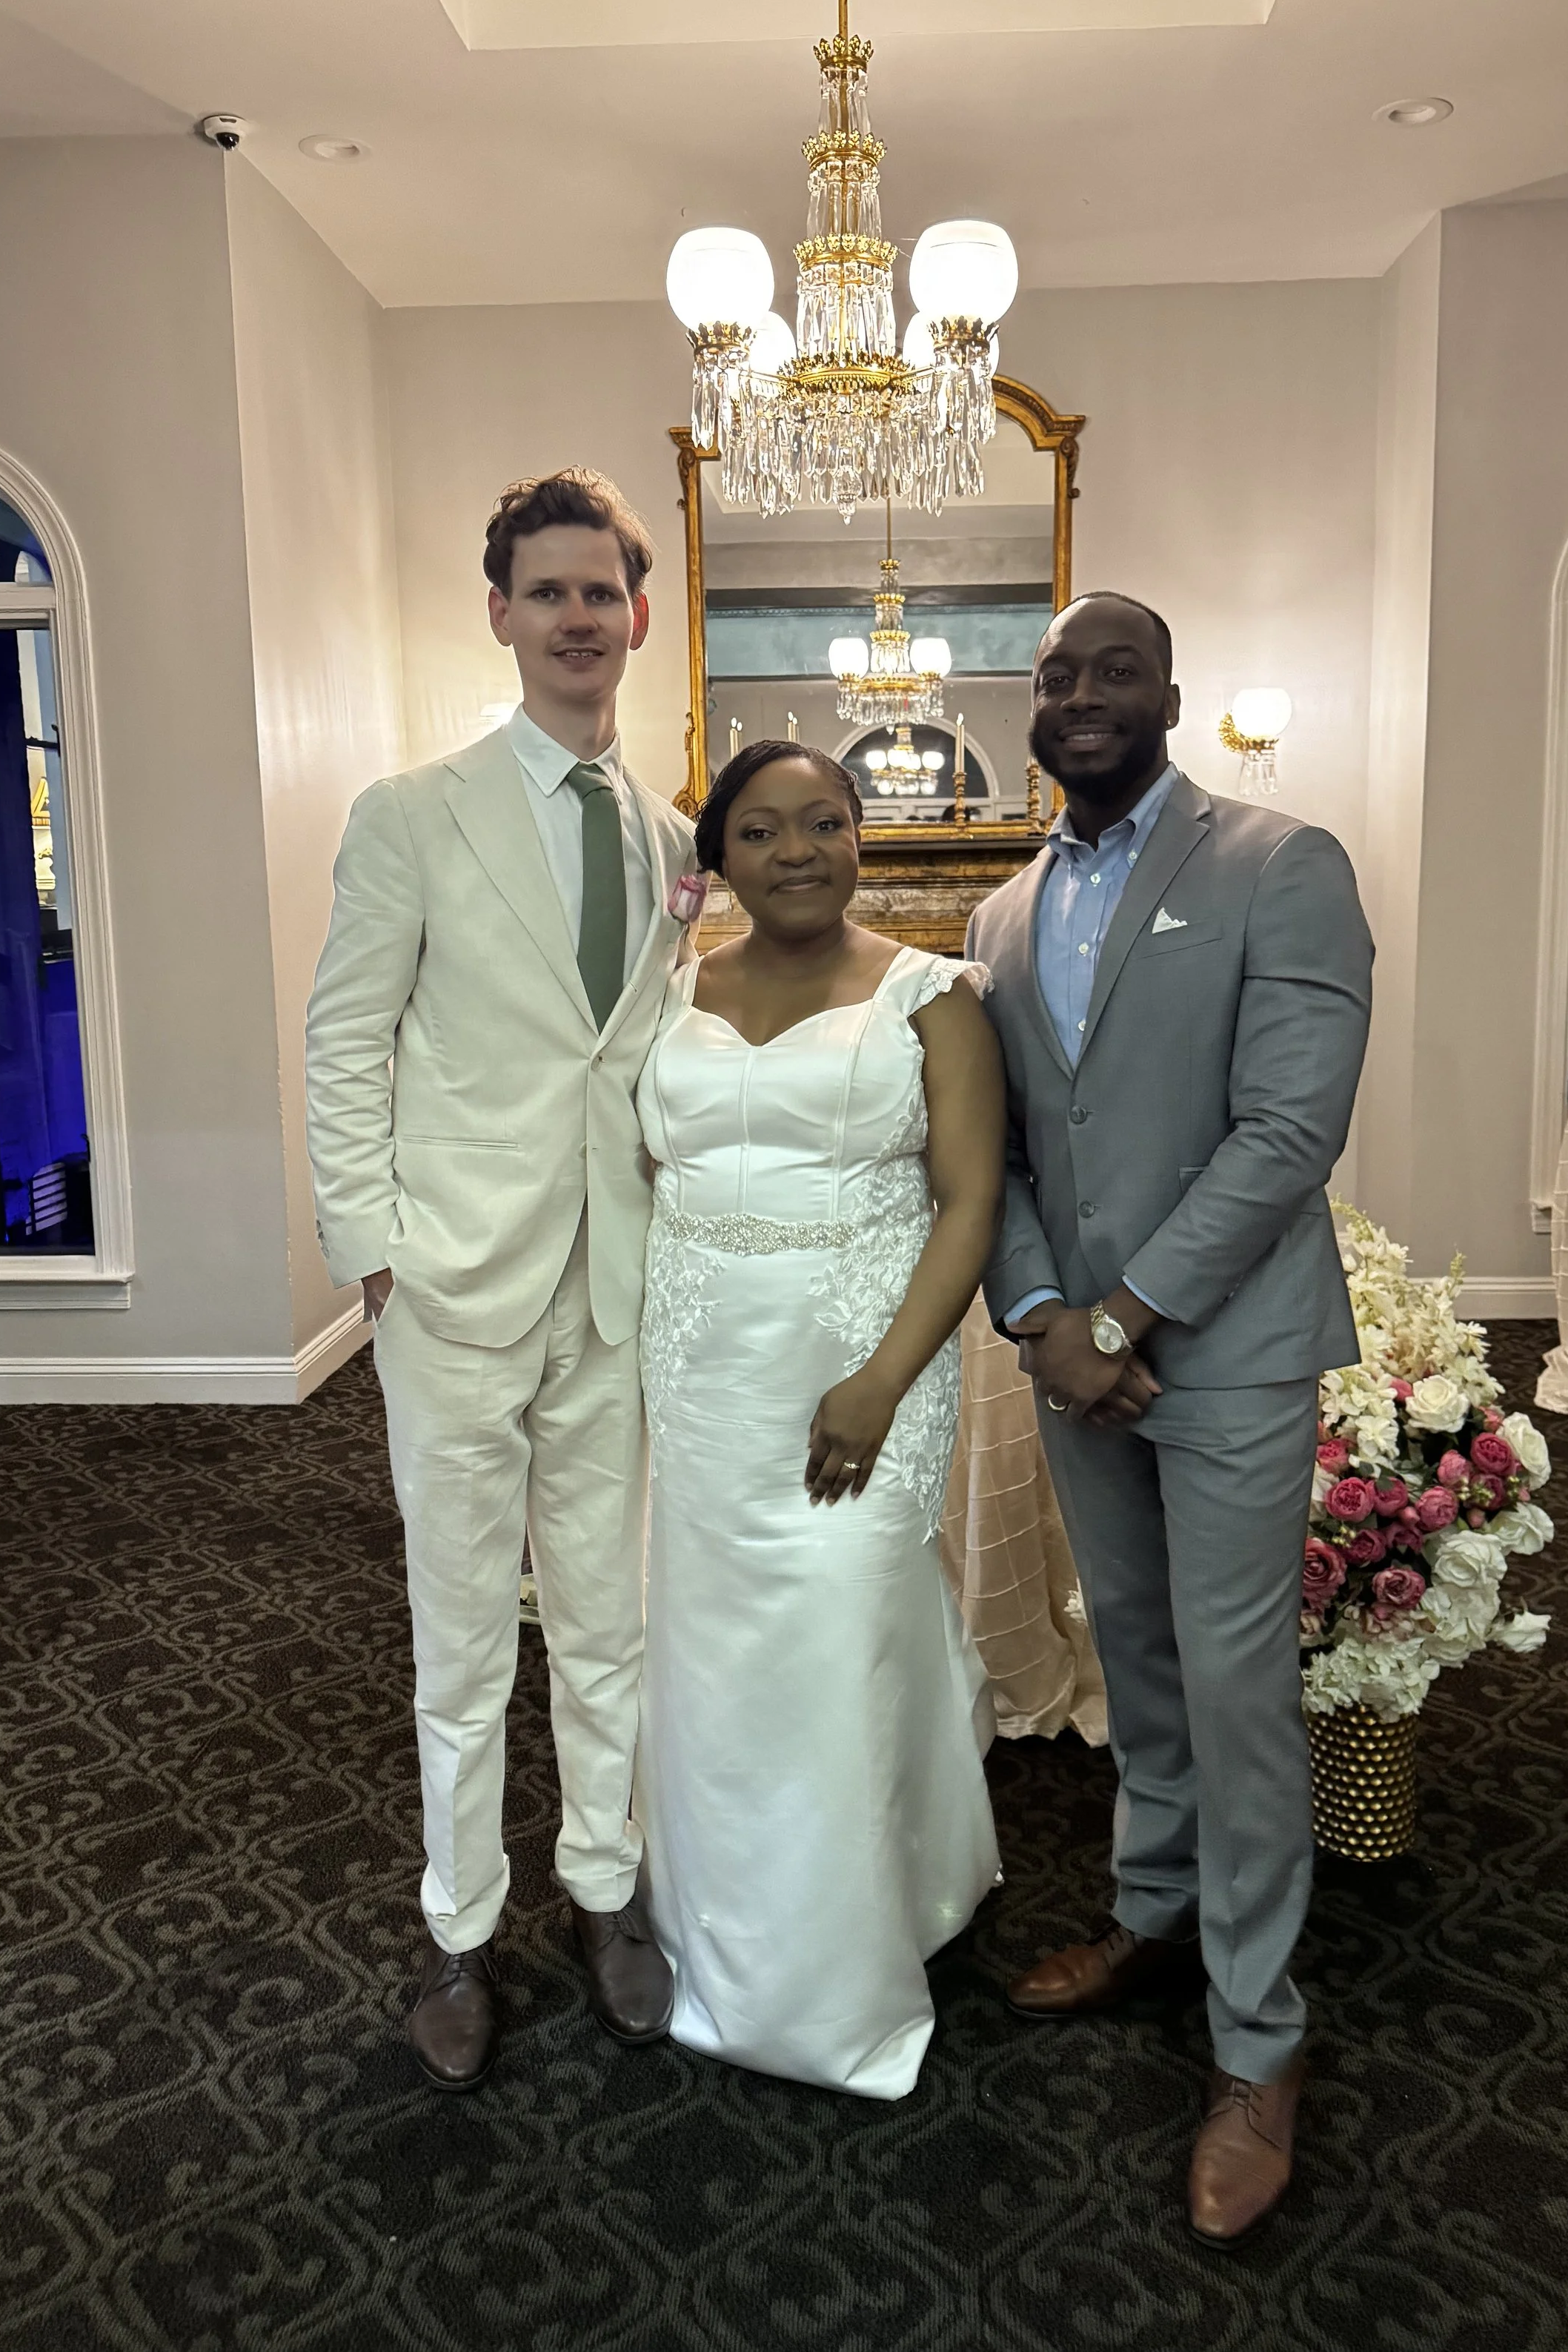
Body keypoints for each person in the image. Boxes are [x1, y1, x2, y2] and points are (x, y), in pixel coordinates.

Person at [966, 593, 1373, 2245]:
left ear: (1169, 698)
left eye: (1110, 669)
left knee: (1234, 1687)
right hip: (1077, 1354)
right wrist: (1046, 1317)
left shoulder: (1279, 862)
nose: (1078, 694)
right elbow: (989, 1146)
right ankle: (1150, 1916)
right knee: (1127, 1649)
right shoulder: (997, 914)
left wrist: (1130, 1313)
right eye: (1055, 672)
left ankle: (1259, 2042)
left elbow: (1289, 1127)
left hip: (1225, 1350)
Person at [305, 468, 699, 2090]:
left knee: (609, 1620)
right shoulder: (412, 811)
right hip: (455, 1288)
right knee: (461, 1638)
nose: (575, 619)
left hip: (617, 1284)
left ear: (638, 615)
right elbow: (344, 1039)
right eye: (545, 592)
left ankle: (604, 1894)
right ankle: (460, 1930)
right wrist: (371, 1250)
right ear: (499, 615)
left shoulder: (675, 832)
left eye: (599, 591)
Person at [634, 741, 1004, 2098]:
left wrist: (883, 1376)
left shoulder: (933, 997)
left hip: (866, 1370)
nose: (797, 851)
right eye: (764, 830)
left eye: (826, 824)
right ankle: (714, 1917)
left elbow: (969, 1200)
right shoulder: (668, 995)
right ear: (717, 861)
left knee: (845, 1630)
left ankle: (846, 1957)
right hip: (698, 1373)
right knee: (715, 1649)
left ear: (863, 839)